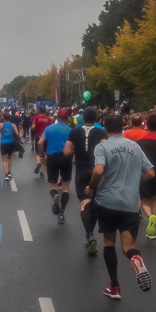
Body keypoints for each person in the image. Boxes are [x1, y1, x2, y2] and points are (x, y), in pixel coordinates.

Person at [85, 115, 156, 299]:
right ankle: (136, 258)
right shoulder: (135, 146)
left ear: (106, 130)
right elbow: (150, 172)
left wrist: (92, 187)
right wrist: (134, 181)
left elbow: (99, 170)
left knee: (109, 242)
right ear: (122, 128)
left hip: (107, 201)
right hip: (131, 204)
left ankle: (114, 286)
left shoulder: (103, 146)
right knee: (128, 247)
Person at [63, 106, 106, 253]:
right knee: (95, 202)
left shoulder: (74, 131)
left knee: (84, 202)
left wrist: (77, 151)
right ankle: (90, 233)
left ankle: (89, 234)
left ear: (82, 118)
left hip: (81, 170)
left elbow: (67, 151)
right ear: (96, 118)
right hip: (96, 170)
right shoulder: (101, 132)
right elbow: (104, 149)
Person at [39, 109, 73, 224]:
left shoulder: (49, 129)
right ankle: (62, 213)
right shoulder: (70, 131)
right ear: (67, 119)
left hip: (52, 158)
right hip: (66, 158)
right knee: (66, 188)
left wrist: (42, 155)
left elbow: (40, 142)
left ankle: (55, 195)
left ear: (57, 118)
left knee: (53, 186)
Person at [0, 109, 23, 181]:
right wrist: (20, 140)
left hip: (3, 143)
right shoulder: (13, 125)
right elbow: (17, 133)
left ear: (3, 118)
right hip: (11, 142)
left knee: (4, 160)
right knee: (9, 158)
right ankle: (10, 172)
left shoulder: (1, 125)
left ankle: (6, 174)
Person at [31, 106, 54, 178]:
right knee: (44, 154)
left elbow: (33, 127)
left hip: (38, 137)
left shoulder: (36, 117)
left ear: (39, 110)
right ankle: (41, 172)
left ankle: (39, 162)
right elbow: (52, 128)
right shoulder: (49, 118)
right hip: (46, 138)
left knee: (38, 153)